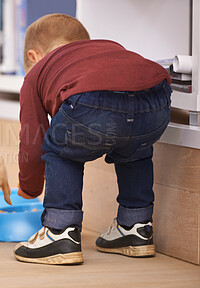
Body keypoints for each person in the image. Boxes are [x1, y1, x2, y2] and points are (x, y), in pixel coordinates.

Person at [14, 13, 172, 265]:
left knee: (61, 149)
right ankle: (135, 228)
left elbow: (32, 140)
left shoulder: (37, 72)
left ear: (33, 56)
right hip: (156, 99)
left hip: (89, 98)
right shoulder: (109, 49)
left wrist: (29, 187)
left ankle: (60, 232)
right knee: (135, 149)